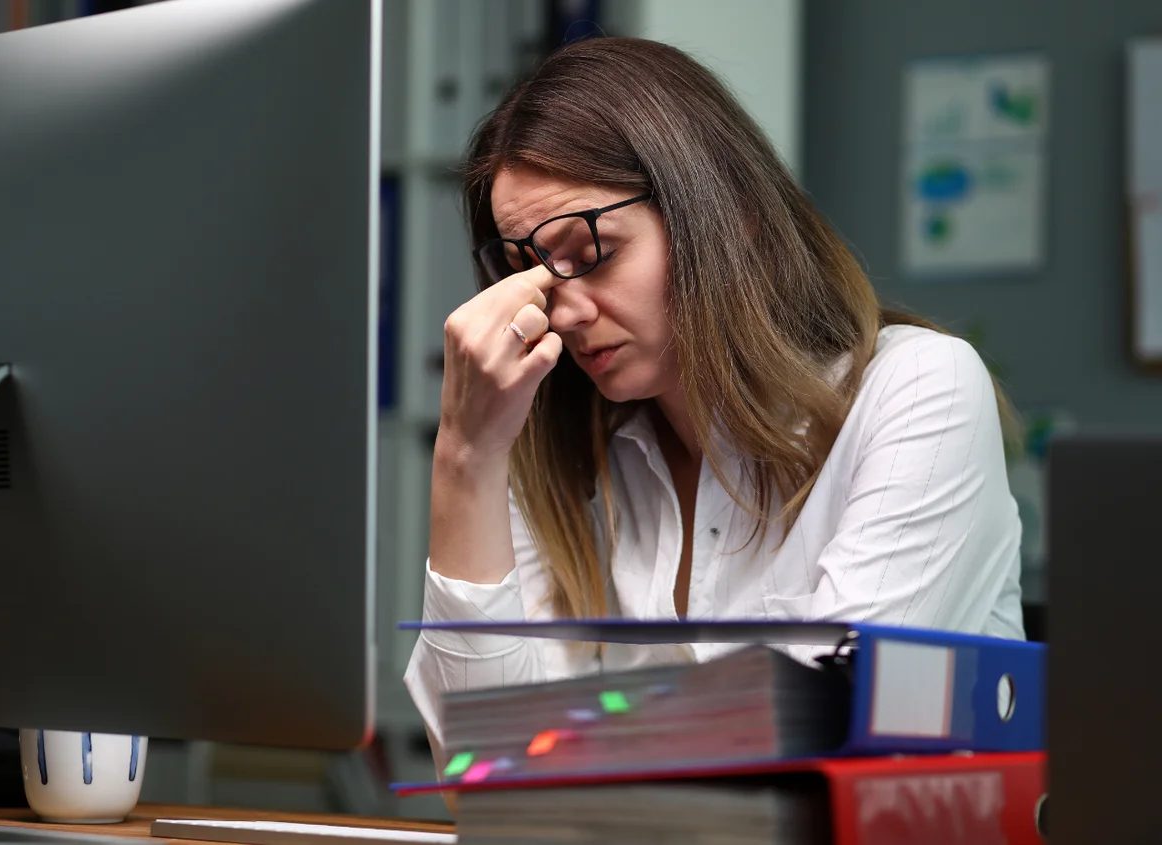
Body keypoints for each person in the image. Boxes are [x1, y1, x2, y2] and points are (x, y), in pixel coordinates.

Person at [403, 37, 1025, 763]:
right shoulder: (551, 456)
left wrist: (568, 743)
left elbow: (815, 743)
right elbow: (476, 775)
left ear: (730, 213)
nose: (562, 312)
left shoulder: (921, 390)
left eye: (591, 249)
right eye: (529, 272)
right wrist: (465, 458)